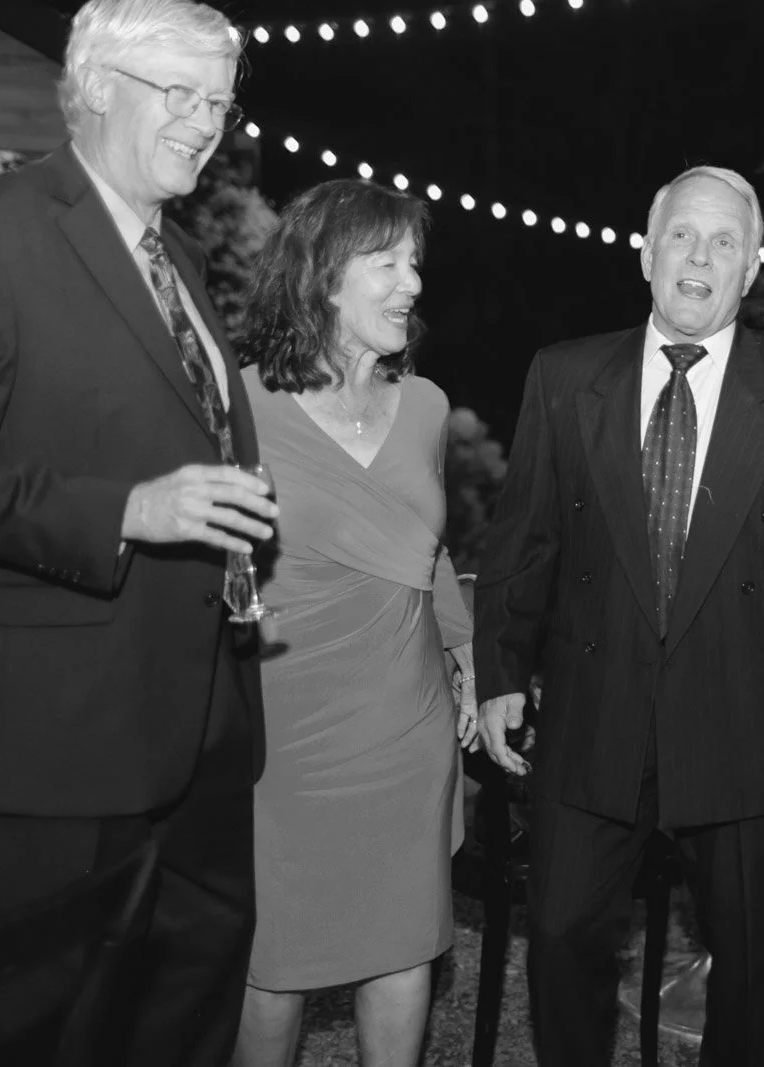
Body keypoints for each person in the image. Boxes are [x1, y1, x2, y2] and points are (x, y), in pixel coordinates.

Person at [0, 2, 276, 1064]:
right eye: (176, 93)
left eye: (218, 102)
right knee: (51, 1033)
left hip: (204, 740)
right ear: (91, 86)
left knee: (183, 1025)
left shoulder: (174, 255)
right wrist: (126, 510)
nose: (204, 122)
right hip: (57, 743)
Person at [470, 165, 764, 1067]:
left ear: (752, 268)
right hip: (594, 713)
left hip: (754, 721)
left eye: (726, 242)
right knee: (560, 941)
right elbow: (522, 541)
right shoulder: (565, 377)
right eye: (683, 234)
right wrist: (497, 675)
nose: (700, 256)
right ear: (648, 253)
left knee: (752, 971)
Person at [231, 179, 478, 1067]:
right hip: (282, 730)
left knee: (403, 949)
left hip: (405, 724)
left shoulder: (427, 406)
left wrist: (463, 644)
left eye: (415, 262)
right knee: (273, 967)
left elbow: (429, 544)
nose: (412, 282)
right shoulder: (238, 405)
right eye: (388, 262)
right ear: (325, 276)